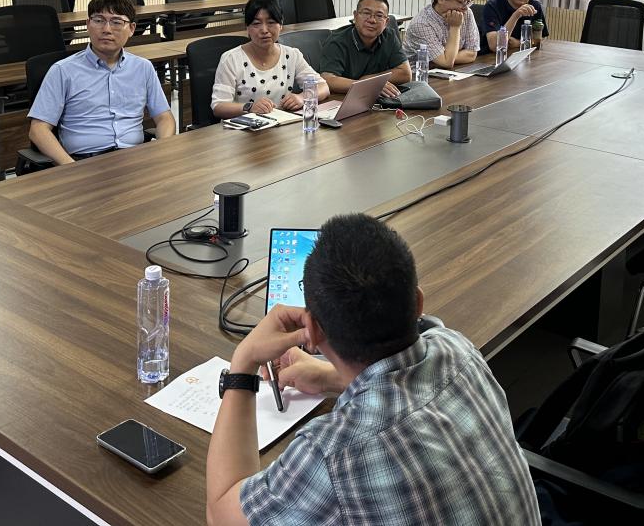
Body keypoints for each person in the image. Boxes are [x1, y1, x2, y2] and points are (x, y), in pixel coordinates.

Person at [205, 213, 539, 525]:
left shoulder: (333, 456)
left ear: (313, 332)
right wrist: (329, 378)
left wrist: (245, 362)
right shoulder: (458, 350)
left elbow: (221, 513)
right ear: (418, 303)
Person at [28, 0, 175, 164]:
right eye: (98, 20)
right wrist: (70, 167)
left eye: (116, 22)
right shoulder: (62, 71)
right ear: (88, 24)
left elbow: (164, 118)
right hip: (84, 162)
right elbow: (38, 129)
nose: (106, 29)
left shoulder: (143, 67)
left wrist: (162, 151)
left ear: (132, 29)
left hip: (134, 159)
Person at [211, 0, 329, 119]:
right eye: (256, 23)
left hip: (282, 124)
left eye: (271, 22)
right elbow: (219, 106)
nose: (264, 30)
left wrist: (302, 98)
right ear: (247, 28)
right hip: (245, 127)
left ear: (281, 24)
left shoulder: (291, 55)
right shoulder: (231, 59)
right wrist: (250, 107)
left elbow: (323, 87)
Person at [318, 0, 411, 100]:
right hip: (342, 100)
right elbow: (327, 80)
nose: (372, 20)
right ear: (355, 16)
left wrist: (370, 80)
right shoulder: (337, 41)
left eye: (379, 16)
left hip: (375, 100)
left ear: (386, 22)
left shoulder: (389, 36)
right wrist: (366, 85)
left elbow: (405, 73)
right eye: (366, 13)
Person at [404, 0, 480, 68]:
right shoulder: (421, 24)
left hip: (452, 70)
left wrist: (447, 56)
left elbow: (472, 54)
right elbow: (447, 63)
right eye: (461, 2)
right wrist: (455, 27)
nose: (465, 7)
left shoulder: (466, 13)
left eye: (468, 1)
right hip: (421, 74)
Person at [483, 0, 549, 53]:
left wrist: (518, 43)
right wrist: (516, 15)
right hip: (491, 56)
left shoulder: (535, 6)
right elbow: (495, 46)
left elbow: (540, 39)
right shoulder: (493, 5)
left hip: (521, 54)